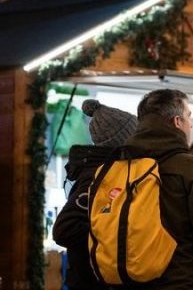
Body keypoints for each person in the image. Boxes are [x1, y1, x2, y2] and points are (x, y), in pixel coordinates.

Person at [122, 89, 193, 289]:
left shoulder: (122, 165)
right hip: (182, 282)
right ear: (177, 122)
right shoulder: (191, 167)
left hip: (131, 281)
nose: (191, 124)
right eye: (188, 117)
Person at [53, 99, 137, 290]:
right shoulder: (97, 176)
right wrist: (117, 234)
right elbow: (64, 229)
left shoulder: (110, 172)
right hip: (90, 280)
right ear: (123, 141)